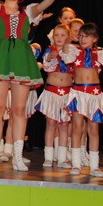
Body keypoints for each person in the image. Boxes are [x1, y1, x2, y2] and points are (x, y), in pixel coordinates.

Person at [0, 0, 69, 171]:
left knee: (18, 110)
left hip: (21, 60)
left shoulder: (28, 12)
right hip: (1, 59)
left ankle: (17, 156)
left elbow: (42, 6)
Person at [60, 22, 103, 177]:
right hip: (78, 93)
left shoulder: (98, 53)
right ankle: (76, 164)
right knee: (77, 128)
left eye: (87, 36)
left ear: (95, 38)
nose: (83, 39)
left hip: (94, 94)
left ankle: (94, 166)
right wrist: (66, 43)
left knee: (93, 130)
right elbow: (65, 57)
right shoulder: (74, 51)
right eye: (80, 36)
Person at [35, 23, 75, 168]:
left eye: (62, 35)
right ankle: (48, 157)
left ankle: (62, 158)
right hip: (51, 92)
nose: (59, 38)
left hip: (67, 93)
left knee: (64, 125)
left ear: (68, 37)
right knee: (51, 124)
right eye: (56, 35)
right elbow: (46, 66)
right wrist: (50, 58)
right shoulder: (49, 50)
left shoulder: (72, 52)